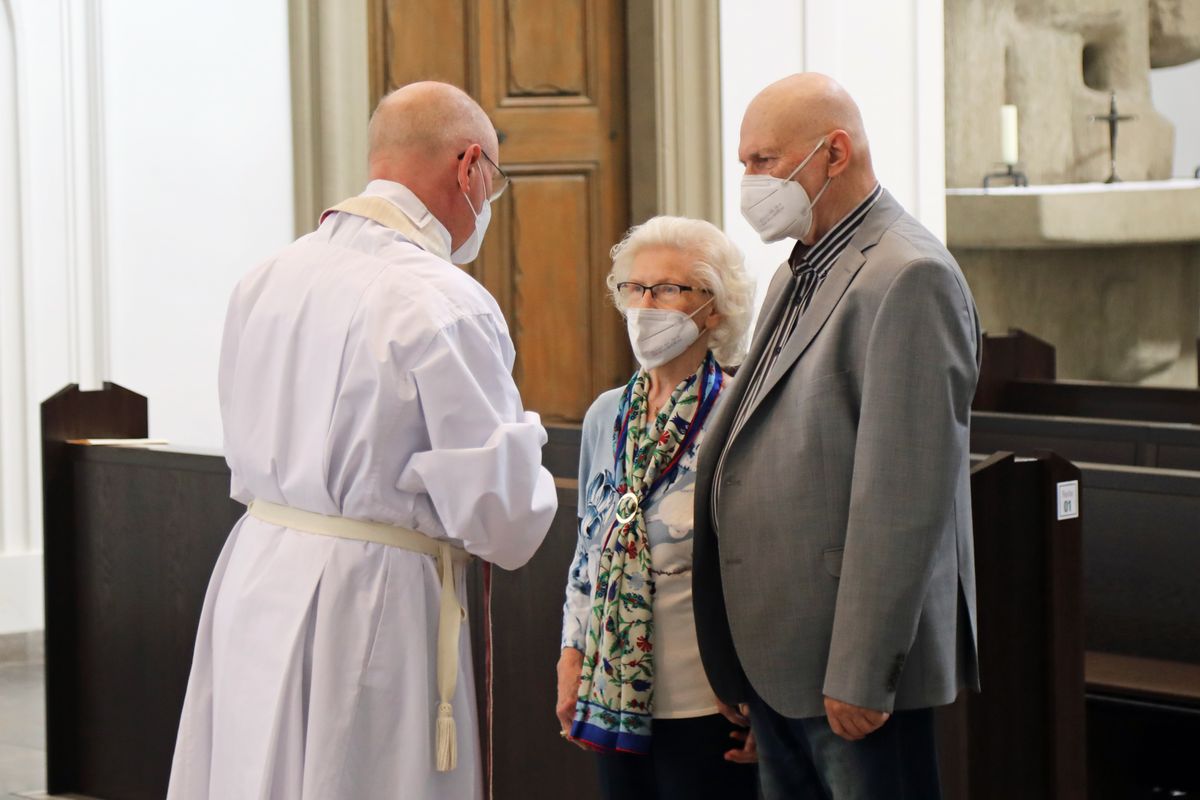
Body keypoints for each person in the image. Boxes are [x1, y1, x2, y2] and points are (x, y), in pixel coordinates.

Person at [167, 81, 557, 800]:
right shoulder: (442, 299)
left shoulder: (267, 277)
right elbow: (505, 518)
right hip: (368, 594)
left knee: (253, 771)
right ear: (470, 167)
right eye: (493, 182)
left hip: (257, 565)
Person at [691, 73, 982, 799]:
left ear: (834, 153)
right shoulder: (801, 266)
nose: (749, 181)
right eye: (744, 163)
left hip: (846, 672)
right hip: (784, 661)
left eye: (761, 161)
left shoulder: (909, 275)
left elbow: (903, 498)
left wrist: (863, 670)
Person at [556, 216, 758, 800]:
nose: (646, 305)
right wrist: (572, 655)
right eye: (634, 289)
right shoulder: (606, 415)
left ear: (713, 308)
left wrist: (768, 704)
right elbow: (587, 549)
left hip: (712, 701)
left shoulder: (739, 417)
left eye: (667, 289)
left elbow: (763, 569)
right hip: (614, 694)